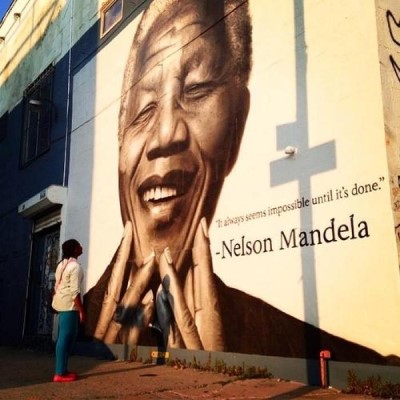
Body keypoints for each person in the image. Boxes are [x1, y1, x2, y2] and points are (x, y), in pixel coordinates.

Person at [84, 0, 400, 365]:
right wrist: (98, 357)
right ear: (121, 144)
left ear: (236, 124)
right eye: (145, 108)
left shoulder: (337, 357)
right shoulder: (83, 317)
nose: (166, 133)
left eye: (197, 89)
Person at [52, 239, 85, 382]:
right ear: (75, 250)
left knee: (65, 337)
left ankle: (63, 370)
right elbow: (75, 292)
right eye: (79, 245)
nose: (81, 246)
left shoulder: (62, 264)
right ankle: (59, 373)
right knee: (66, 338)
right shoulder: (75, 267)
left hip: (61, 303)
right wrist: (81, 310)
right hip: (69, 306)